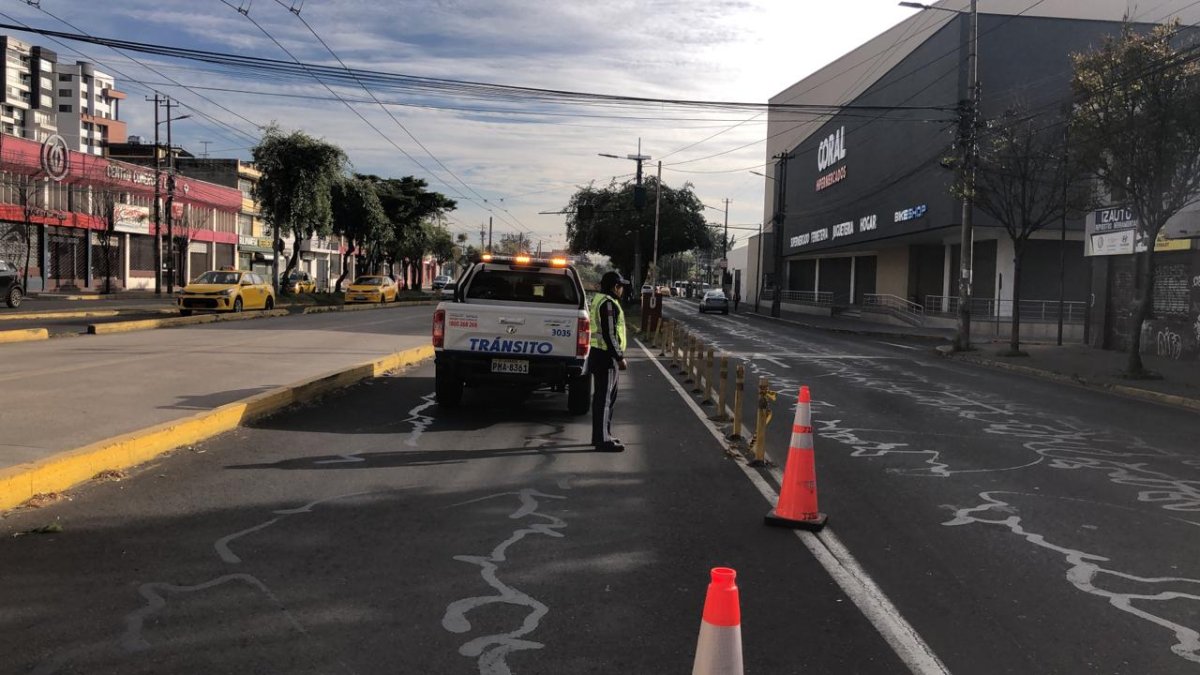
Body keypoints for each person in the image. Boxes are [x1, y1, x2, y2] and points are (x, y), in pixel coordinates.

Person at [589, 270, 629, 452]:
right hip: (606, 357)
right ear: (615, 287)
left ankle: (601, 434)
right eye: (621, 287)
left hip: (598, 354)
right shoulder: (608, 304)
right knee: (605, 400)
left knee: (602, 398)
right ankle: (603, 440)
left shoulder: (598, 300)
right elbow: (610, 334)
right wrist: (619, 357)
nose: (622, 290)